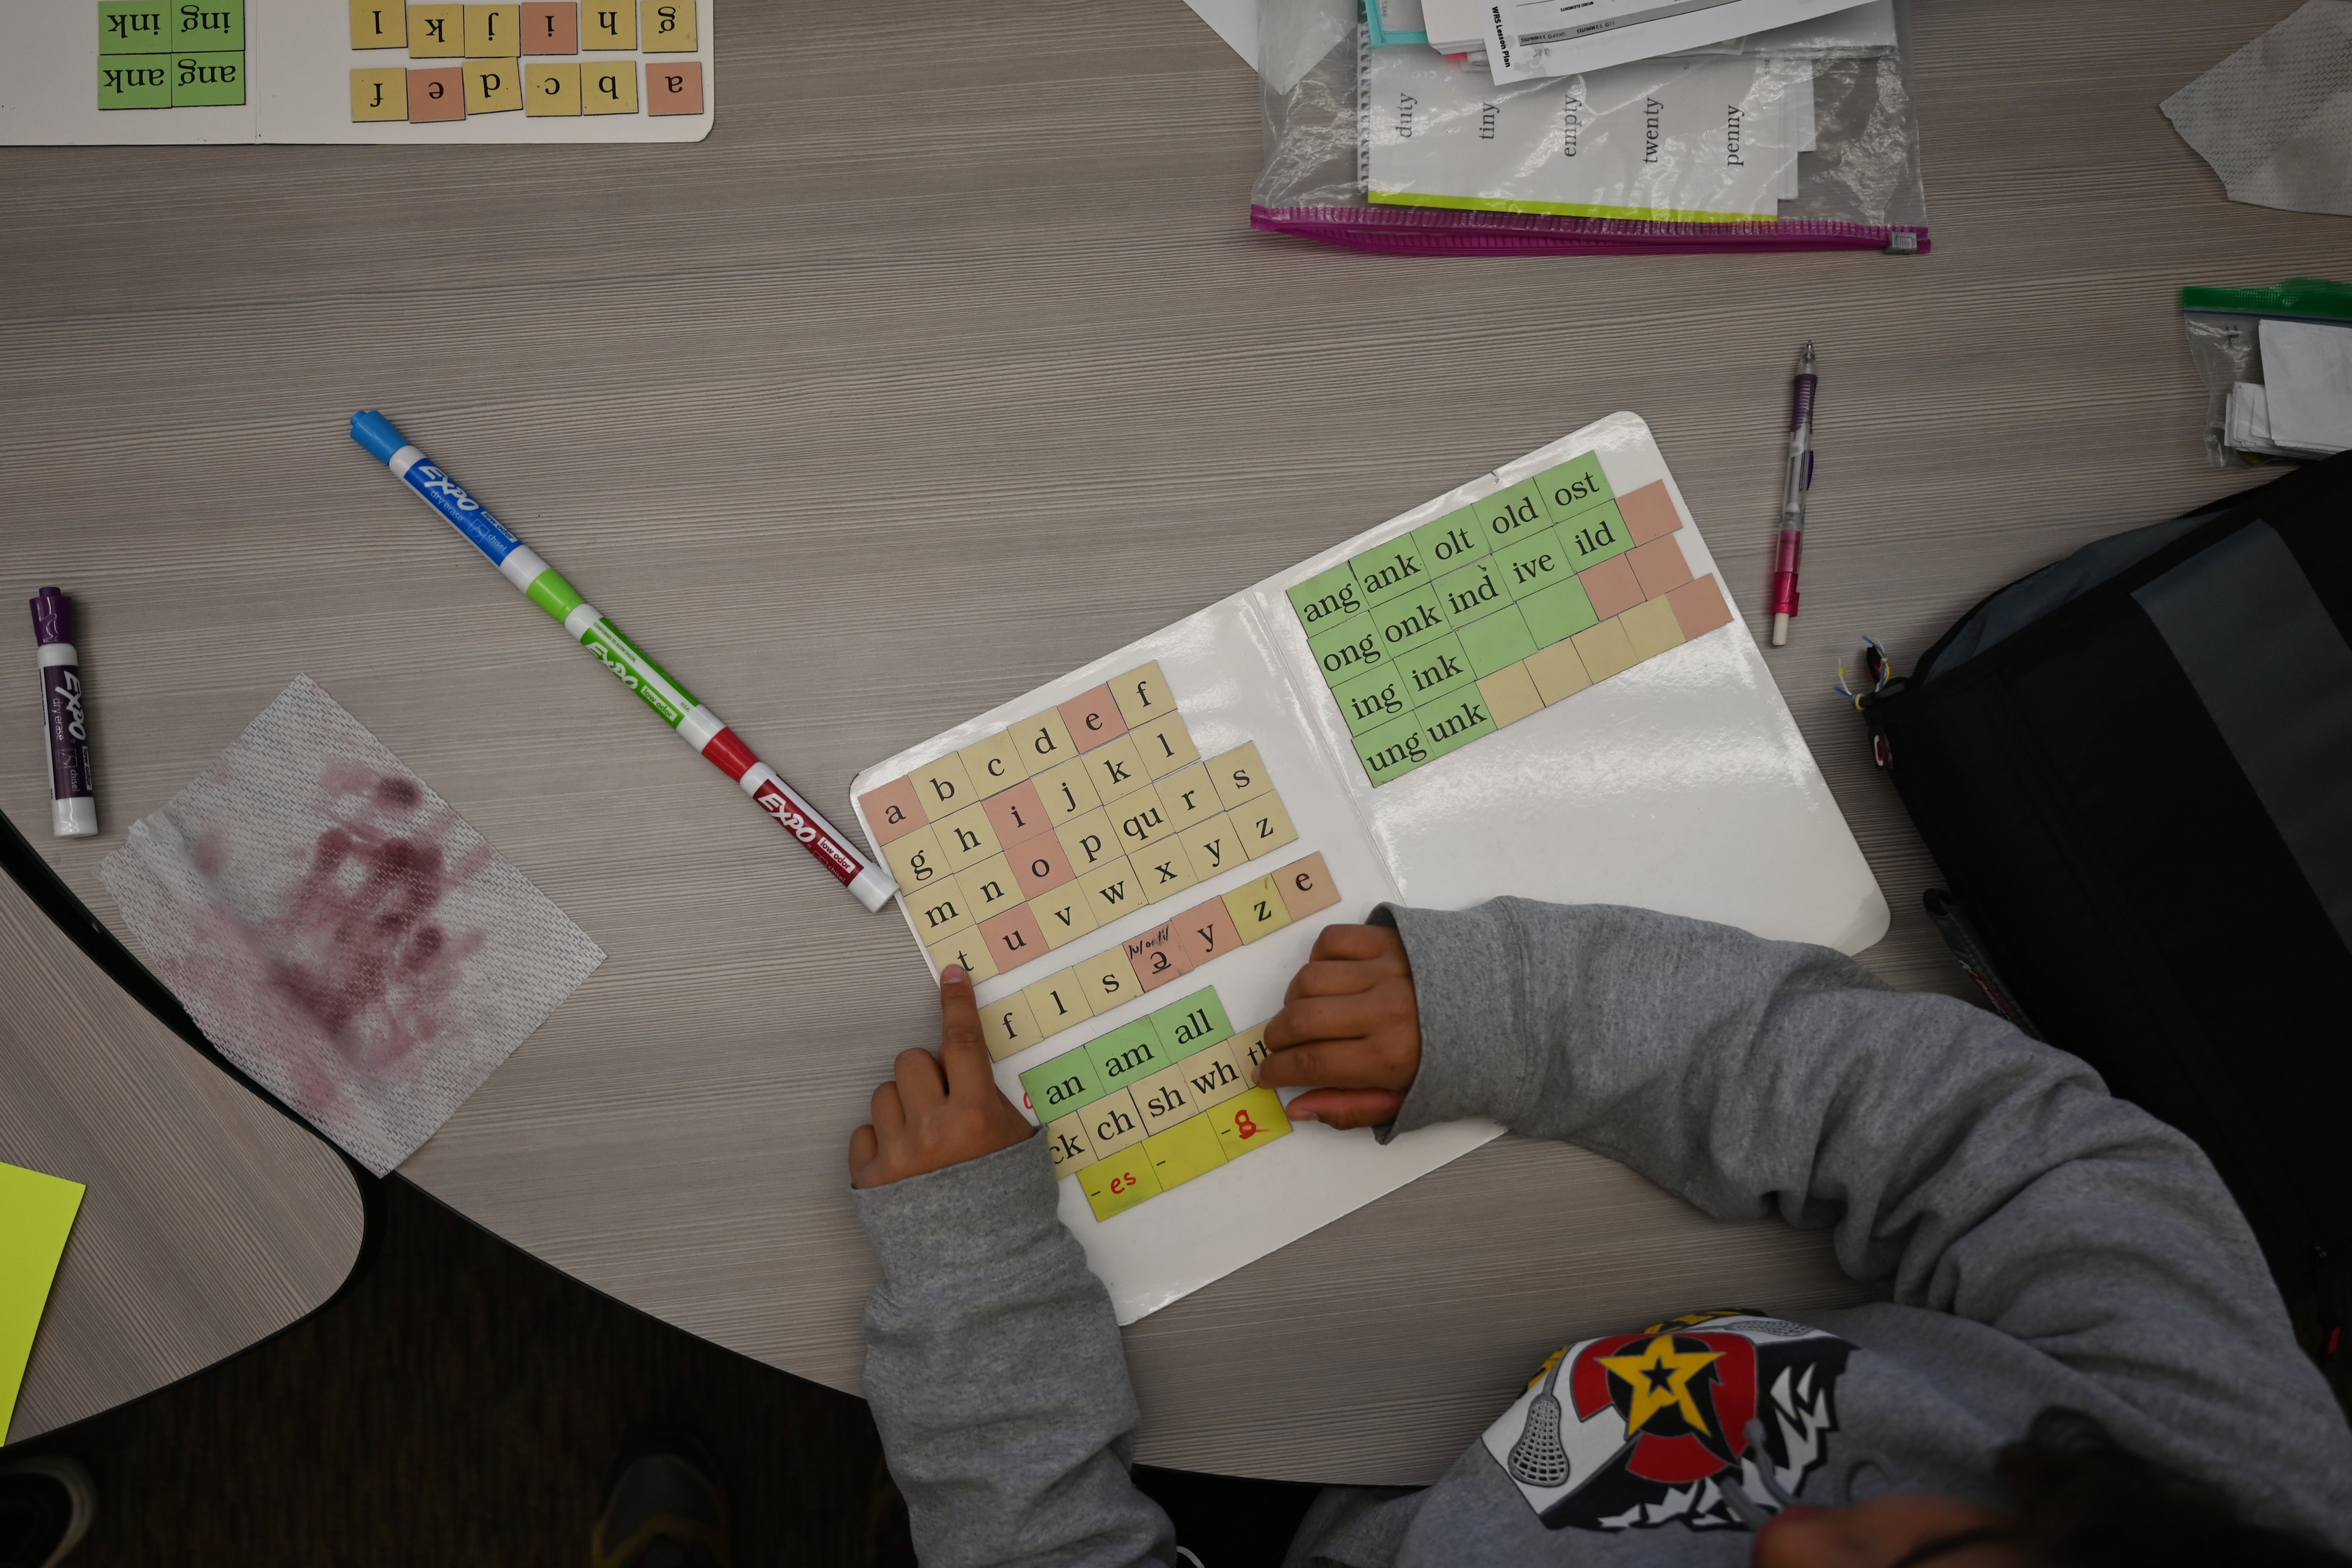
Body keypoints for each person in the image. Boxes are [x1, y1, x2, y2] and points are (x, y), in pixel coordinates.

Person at [846, 902, 2352, 1567]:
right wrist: (1530, 1015)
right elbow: (1995, 1145)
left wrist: (977, 1283)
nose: (1795, 1551)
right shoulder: (2238, 1483)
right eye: (1923, 1547)